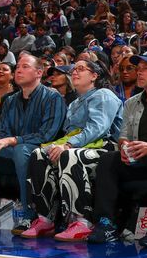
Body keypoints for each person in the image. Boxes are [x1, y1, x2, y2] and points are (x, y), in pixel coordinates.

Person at [0, 53, 66, 235]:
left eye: (25, 66)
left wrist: (12, 140)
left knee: (21, 150)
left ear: (39, 73)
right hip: (16, 149)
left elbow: (47, 134)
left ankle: (30, 214)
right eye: (17, 66)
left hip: (43, 151)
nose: (19, 70)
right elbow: (4, 134)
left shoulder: (53, 97)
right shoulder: (10, 100)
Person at [89, 51, 147, 248]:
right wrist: (125, 148)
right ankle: (107, 223)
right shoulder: (131, 102)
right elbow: (124, 136)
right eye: (138, 69)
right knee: (108, 159)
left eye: (146, 68)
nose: (140, 73)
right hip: (143, 158)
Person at [22, 61, 123, 241]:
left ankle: (82, 221)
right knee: (39, 154)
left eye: (81, 69)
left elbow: (97, 129)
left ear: (94, 76)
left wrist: (68, 145)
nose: (75, 72)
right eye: (74, 69)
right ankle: (45, 219)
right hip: (79, 146)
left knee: (69, 155)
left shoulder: (104, 94)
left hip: (106, 148)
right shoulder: (74, 102)